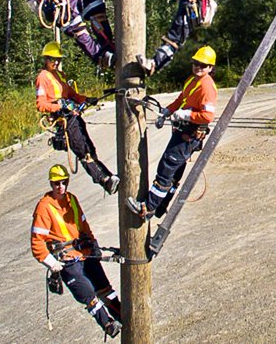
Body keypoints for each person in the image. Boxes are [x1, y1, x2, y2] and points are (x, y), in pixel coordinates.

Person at [31, 164, 122, 338]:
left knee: (105, 289)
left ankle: (123, 315)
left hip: (85, 254)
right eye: (57, 183)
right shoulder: (44, 207)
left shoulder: (71, 199)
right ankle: (108, 324)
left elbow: (84, 225)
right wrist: (51, 263)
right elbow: (37, 242)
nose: (61, 187)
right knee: (88, 294)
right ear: (51, 184)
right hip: (66, 261)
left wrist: (94, 245)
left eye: (64, 182)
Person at [127, 46, 218, 219]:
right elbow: (181, 100)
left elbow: (207, 116)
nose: (198, 67)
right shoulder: (192, 80)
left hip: (189, 135)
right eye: (196, 63)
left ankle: (148, 208)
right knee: (175, 172)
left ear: (210, 68)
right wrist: (166, 112)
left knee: (167, 168)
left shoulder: (207, 87)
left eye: (203, 65)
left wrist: (186, 114)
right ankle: (161, 206)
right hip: (182, 130)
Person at [36, 42, 119, 194]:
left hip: (73, 117)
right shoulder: (43, 77)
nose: (56, 62)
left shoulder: (60, 75)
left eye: (58, 60)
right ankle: (104, 181)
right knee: (83, 151)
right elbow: (41, 104)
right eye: (52, 59)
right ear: (46, 59)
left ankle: (109, 177)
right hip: (64, 121)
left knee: (89, 149)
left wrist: (85, 99)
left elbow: (73, 95)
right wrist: (59, 107)